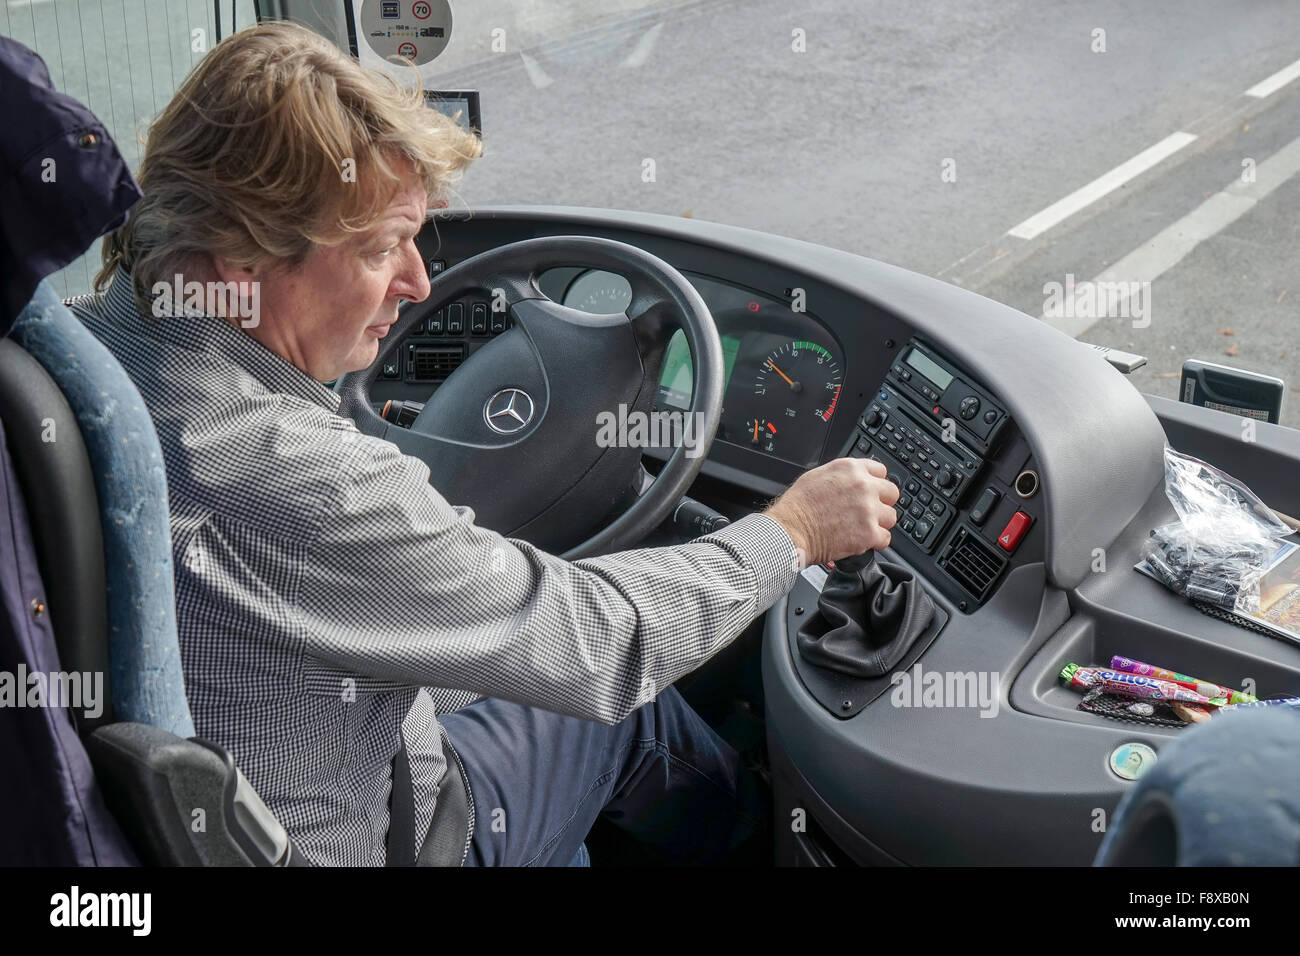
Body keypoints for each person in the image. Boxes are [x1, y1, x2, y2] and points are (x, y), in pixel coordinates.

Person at [69, 21, 900, 866]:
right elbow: (601, 645)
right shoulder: (310, 483)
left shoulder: (80, 351)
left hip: (234, 784)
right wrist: (793, 532)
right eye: (381, 247)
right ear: (242, 263)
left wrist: (476, 596)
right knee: (622, 711)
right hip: (395, 838)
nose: (418, 282)